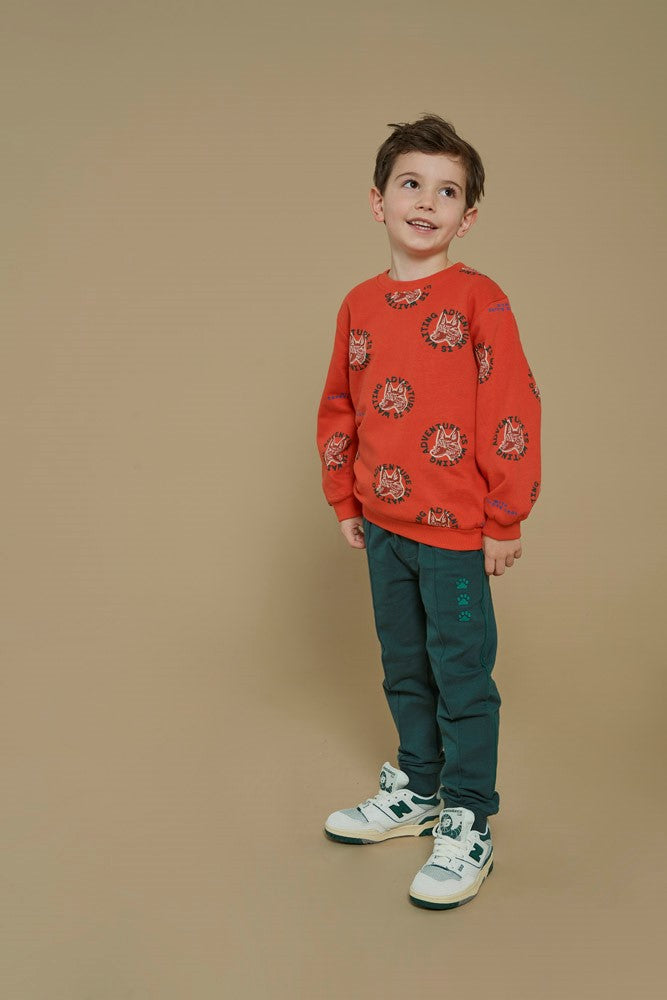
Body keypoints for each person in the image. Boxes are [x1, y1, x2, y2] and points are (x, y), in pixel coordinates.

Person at [315, 113, 542, 910]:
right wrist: (343, 495)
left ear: (465, 217)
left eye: (446, 192)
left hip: (454, 538)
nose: (425, 201)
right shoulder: (358, 304)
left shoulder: (480, 299)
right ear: (377, 200)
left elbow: (510, 405)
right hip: (383, 528)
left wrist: (504, 516)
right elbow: (340, 405)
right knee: (403, 664)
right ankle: (417, 787)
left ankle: (467, 815)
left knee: (460, 674)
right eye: (410, 184)